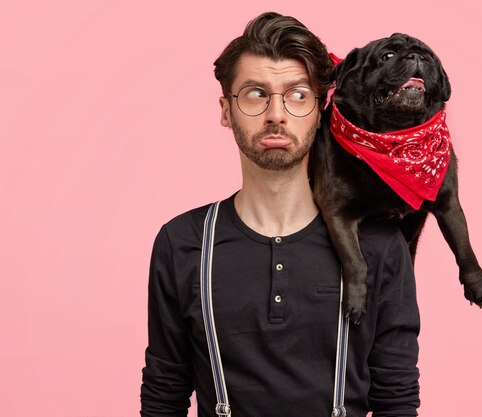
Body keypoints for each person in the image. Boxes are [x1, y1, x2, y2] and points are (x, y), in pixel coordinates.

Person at [140, 11, 421, 417]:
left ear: (322, 109)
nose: (277, 113)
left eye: (297, 94)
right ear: (225, 110)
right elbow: (163, 396)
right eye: (255, 93)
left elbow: (397, 400)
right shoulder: (182, 242)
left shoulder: (379, 245)